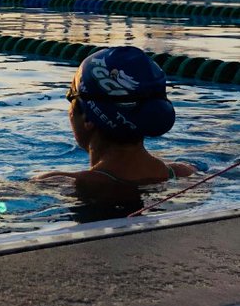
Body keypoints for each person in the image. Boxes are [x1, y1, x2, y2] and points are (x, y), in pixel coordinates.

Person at [34, 45, 195, 207]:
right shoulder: (184, 173)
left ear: (87, 117)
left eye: (71, 97)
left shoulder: (63, 184)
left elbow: (7, 211)